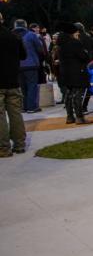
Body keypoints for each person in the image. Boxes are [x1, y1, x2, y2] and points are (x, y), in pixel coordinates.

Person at [0, 12, 27, 156]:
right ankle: (19, 144)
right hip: (13, 80)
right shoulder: (14, 36)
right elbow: (23, 55)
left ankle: (3, 148)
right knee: (15, 113)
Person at [56, 23, 93, 124]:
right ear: (72, 33)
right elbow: (84, 57)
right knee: (77, 94)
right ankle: (80, 117)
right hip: (77, 72)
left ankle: (69, 116)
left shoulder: (60, 44)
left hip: (65, 72)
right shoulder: (75, 43)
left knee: (68, 94)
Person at [12, 19, 45, 113]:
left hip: (17, 66)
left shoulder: (11, 35)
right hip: (31, 64)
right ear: (25, 26)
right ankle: (32, 107)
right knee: (32, 86)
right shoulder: (31, 35)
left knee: (22, 87)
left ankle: (24, 107)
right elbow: (39, 49)